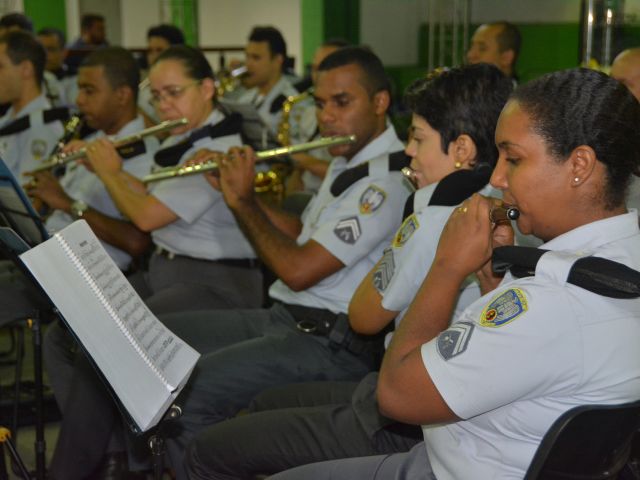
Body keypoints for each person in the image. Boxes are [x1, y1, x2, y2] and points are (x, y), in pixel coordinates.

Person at [272, 67, 640, 479]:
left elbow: (395, 396)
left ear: (579, 165)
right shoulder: (620, 255)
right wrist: (493, 285)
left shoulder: (552, 302)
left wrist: (447, 267)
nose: (498, 178)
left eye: (514, 159)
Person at [183, 63, 514, 479]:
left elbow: (363, 316)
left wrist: (405, 228)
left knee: (207, 443)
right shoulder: (492, 204)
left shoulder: (436, 212)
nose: (409, 152)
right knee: (262, 408)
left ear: (462, 150)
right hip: (424, 398)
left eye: (417, 138)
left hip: (409, 412)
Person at [143, 45, 411, 479]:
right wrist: (231, 187)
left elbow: (299, 269)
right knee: (152, 342)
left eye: (342, 103)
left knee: (187, 397)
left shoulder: (384, 182)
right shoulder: (348, 161)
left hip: (327, 340)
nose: (327, 117)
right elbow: (300, 235)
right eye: (321, 104)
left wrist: (244, 202)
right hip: (286, 318)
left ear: (380, 103)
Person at [0, 30, 66, 180]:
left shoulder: (44, 128)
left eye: (0, 67)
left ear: (26, 69)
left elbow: (28, 198)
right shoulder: (6, 122)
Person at [222, 26, 301, 148]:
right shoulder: (245, 99)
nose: (248, 64)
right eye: (247, 57)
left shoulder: (294, 102)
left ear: (277, 60)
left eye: (256, 58)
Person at [139, 24, 186, 125]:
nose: (153, 56)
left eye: (159, 50)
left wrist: (135, 111)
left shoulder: (182, 88)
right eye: (150, 51)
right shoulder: (143, 87)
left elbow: (167, 133)